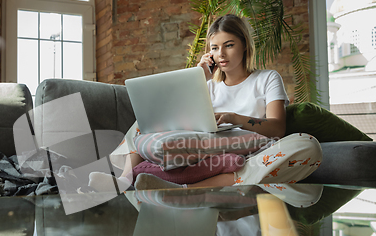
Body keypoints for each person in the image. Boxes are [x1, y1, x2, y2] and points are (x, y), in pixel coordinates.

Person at [89, 14, 321, 192]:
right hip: (206, 150)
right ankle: (123, 180)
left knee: (308, 146)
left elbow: (277, 128)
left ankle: (187, 189)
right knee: (147, 119)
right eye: (214, 48)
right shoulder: (208, 85)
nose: (221, 54)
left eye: (229, 45)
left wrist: (235, 118)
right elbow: (170, 123)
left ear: (244, 46)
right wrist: (200, 79)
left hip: (251, 152)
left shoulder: (267, 78)